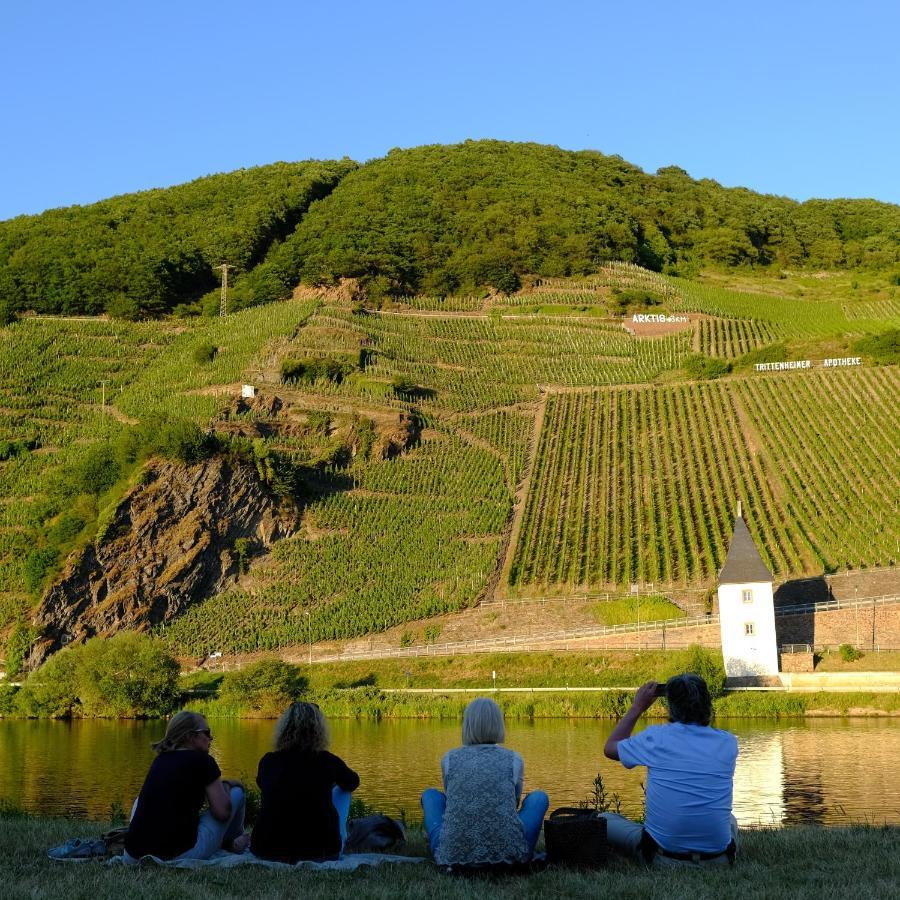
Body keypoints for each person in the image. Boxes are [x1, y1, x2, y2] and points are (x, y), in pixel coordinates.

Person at [602, 673, 739, 867]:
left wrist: (637, 707)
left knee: (604, 819)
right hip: (720, 860)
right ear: (707, 703)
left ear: (671, 705)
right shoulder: (728, 743)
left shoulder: (656, 738)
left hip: (663, 858)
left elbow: (610, 747)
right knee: (731, 819)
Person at [420, 696, 549, 868]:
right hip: (509, 854)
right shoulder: (513, 759)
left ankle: (450, 845)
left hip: (452, 854)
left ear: (467, 725)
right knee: (539, 798)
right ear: (498, 724)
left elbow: (452, 799)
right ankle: (511, 847)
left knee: (431, 796)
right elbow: (515, 802)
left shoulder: (449, 758)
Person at [124, 710, 248, 861]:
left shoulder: (161, 759)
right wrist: (227, 785)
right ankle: (232, 844)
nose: (211, 737)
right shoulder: (204, 761)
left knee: (139, 801)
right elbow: (223, 812)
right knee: (237, 793)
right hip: (178, 854)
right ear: (190, 737)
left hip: (132, 854)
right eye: (207, 732)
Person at [250, 701, 360, 863]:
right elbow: (353, 782)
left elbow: (263, 785)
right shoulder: (327, 761)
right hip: (321, 851)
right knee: (343, 790)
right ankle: (340, 835)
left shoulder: (268, 761)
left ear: (284, 729)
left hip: (267, 849)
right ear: (319, 731)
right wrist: (329, 783)